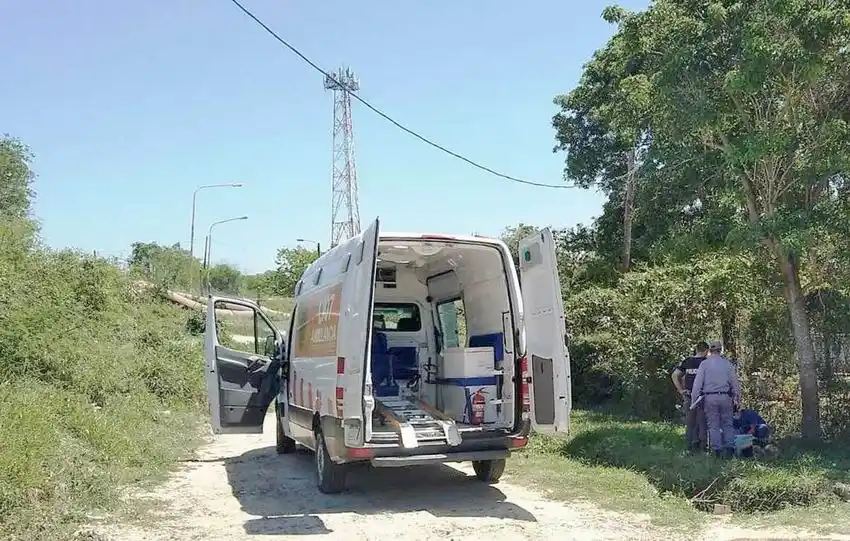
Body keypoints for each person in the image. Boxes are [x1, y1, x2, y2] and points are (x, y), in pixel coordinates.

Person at [691, 340, 741, 458]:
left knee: (713, 425)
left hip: (710, 397)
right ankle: (729, 450)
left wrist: (694, 400)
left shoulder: (704, 364)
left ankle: (717, 451)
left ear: (709, 350)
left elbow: (697, 384)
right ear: (720, 350)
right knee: (727, 424)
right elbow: (735, 383)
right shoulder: (727, 364)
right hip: (725, 396)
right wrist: (738, 398)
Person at [671, 341, 709, 452]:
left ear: (696, 349)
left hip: (689, 395)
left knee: (690, 422)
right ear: (706, 351)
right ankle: (702, 447)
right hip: (703, 396)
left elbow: (674, 375)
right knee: (703, 422)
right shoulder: (706, 362)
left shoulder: (687, 361)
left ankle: (690, 447)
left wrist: (681, 390)